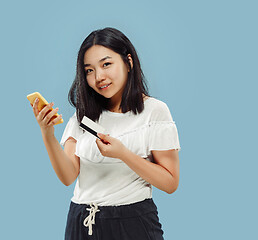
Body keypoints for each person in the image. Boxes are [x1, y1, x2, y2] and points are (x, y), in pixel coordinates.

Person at [31, 27, 181, 240]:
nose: (98, 76)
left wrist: (123, 154)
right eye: (89, 70)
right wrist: (47, 134)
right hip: (81, 221)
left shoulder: (155, 111)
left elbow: (170, 182)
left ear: (128, 62)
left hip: (131, 221)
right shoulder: (83, 115)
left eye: (106, 64)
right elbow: (68, 176)